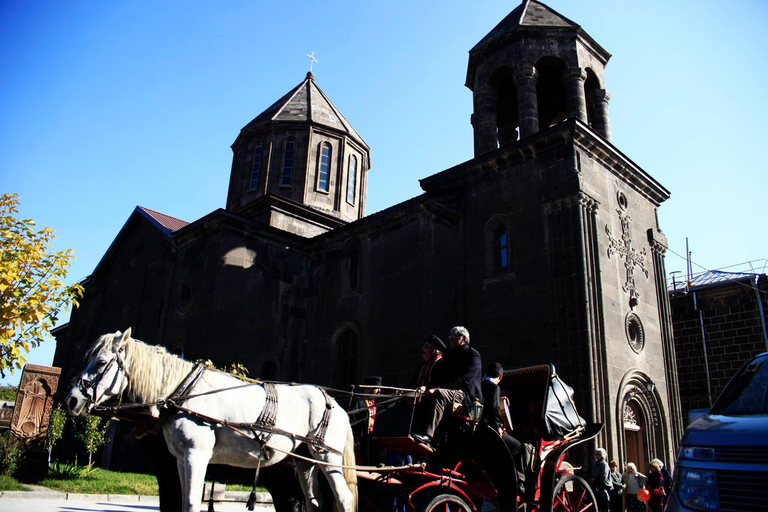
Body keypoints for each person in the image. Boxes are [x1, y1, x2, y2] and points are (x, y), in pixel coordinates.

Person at [410, 326, 483, 448]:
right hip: (449, 389)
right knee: (424, 396)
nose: (451, 340)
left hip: (465, 393)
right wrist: (427, 387)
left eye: (455, 337)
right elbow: (440, 377)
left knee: (440, 394)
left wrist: (438, 388)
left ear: (464, 339)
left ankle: (428, 436)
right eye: (450, 337)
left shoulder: (473, 355)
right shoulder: (449, 355)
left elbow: (464, 379)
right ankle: (415, 431)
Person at [480, 362, 521, 458]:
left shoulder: (481, 385)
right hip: (489, 427)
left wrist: (500, 399)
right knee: (516, 445)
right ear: (501, 376)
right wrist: (497, 426)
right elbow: (493, 408)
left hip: (480, 425)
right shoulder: (494, 387)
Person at [351, 376, 383, 464]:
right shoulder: (359, 401)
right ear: (368, 388)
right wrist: (356, 439)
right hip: (362, 441)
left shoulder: (377, 403)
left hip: (374, 441)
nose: (379, 391)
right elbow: (352, 421)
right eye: (377, 388)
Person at [591, 448, 613, 512]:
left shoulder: (604, 464)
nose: (596, 456)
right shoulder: (596, 464)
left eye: (597, 454)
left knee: (604, 506)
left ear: (602, 455)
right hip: (597, 486)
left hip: (603, 487)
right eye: (595, 454)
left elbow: (603, 477)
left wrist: (594, 479)